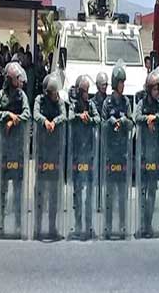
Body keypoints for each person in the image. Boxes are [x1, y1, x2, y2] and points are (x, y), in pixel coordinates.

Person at [0, 62, 31, 233]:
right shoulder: (1, 95)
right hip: (5, 146)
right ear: (10, 79)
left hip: (17, 146)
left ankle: (17, 223)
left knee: (17, 188)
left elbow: (27, 114)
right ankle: (0, 222)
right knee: (2, 188)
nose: (19, 81)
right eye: (16, 78)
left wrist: (16, 119)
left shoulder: (22, 95)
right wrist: (8, 115)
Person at [100, 63, 134, 239]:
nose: (123, 85)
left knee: (122, 193)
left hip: (122, 152)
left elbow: (131, 122)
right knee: (110, 193)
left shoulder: (126, 102)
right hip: (110, 153)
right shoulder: (107, 102)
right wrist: (112, 121)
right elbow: (102, 124)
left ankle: (121, 226)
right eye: (121, 82)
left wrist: (123, 120)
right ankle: (107, 226)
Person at [134, 70, 159, 237]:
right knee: (142, 190)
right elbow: (136, 117)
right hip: (143, 152)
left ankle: (149, 223)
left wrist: (154, 118)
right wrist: (147, 119)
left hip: (154, 153)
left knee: (152, 191)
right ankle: (141, 225)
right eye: (154, 89)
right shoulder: (141, 103)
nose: (157, 92)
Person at [32, 73, 66, 239]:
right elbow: (35, 114)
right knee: (40, 190)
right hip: (42, 150)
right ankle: (37, 227)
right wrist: (45, 121)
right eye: (53, 92)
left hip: (54, 150)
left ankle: (53, 227)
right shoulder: (40, 100)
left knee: (53, 191)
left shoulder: (59, 101)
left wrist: (54, 122)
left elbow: (63, 115)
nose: (55, 94)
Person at [67, 74, 100, 239]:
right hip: (77, 152)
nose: (87, 94)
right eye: (85, 91)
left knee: (88, 190)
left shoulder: (91, 104)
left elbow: (98, 119)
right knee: (78, 190)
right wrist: (80, 116)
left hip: (89, 151)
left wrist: (90, 118)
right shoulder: (74, 105)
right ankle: (78, 222)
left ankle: (88, 223)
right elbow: (69, 117)